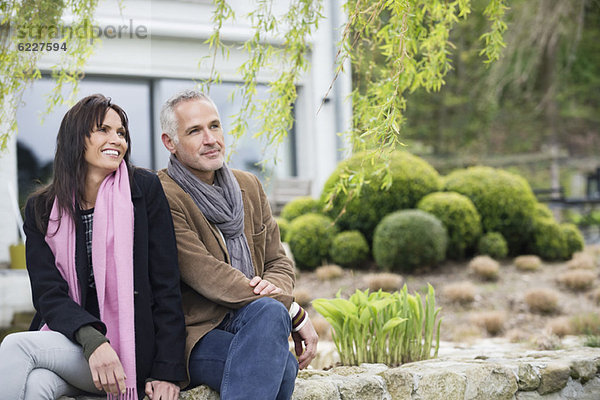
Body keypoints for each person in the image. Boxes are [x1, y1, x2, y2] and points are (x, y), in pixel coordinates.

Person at [0, 94, 186, 400]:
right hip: (75, 341)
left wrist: (167, 372)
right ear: (76, 139)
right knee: (36, 385)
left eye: (122, 133)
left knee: (15, 346)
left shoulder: (144, 190)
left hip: (129, 350)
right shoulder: (41, 209)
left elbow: (166, 286)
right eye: (103, 129)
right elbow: (49, 294)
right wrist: (93, 342)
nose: (117, 140)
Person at [157, 89, 319, 399]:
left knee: (271, 319)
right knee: (283, 362)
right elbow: (207, 275)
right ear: (170, 143)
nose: (210, 138)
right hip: (197, 333)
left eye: (214, 126)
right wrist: (293, 310)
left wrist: (275, 292)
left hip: (254, 320)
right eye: (195, 131)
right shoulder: (164, 195)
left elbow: (277, 261)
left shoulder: (249, 185)